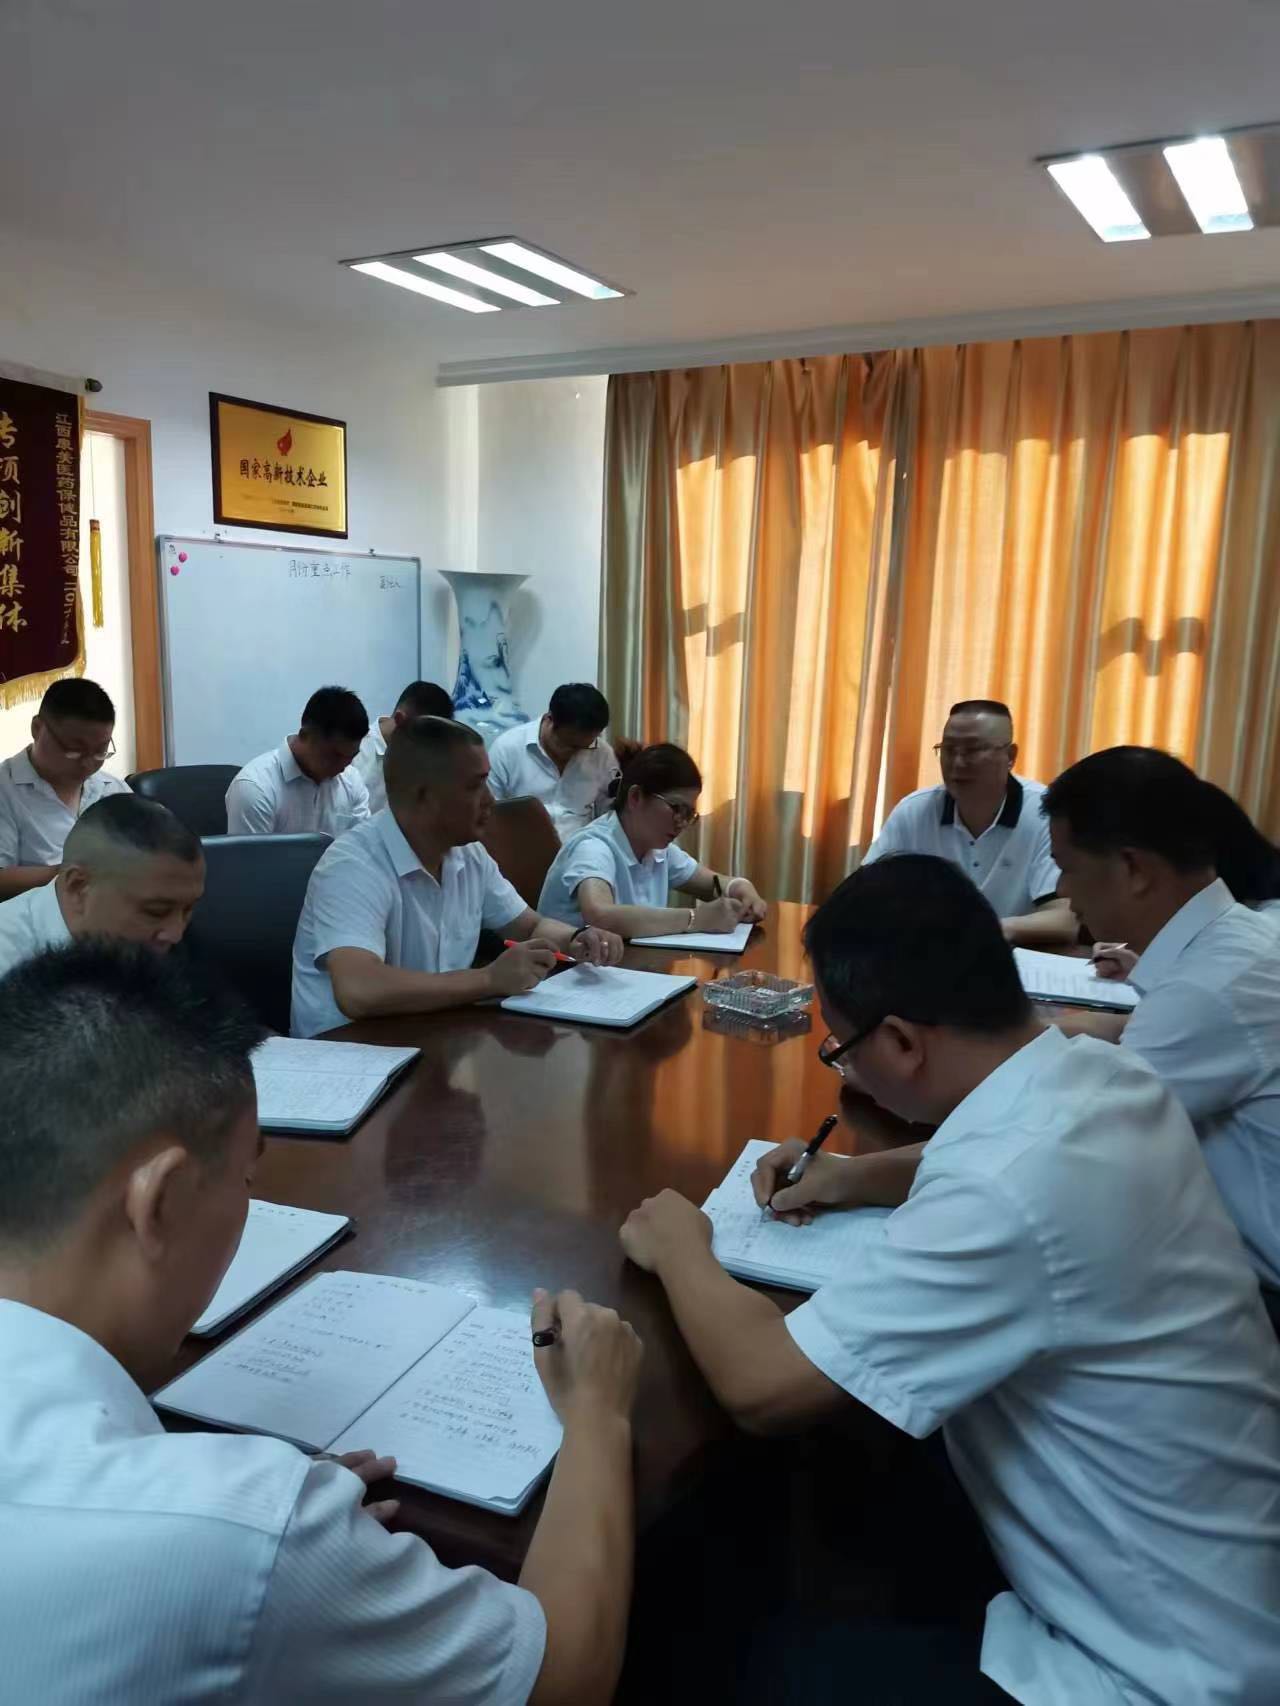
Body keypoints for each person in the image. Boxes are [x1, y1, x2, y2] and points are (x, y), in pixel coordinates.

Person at [620, 855, 1280, 1705]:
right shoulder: (1099, 1073)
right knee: (840, 1484)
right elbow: (1000, 1154)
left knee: (718, 1653)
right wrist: (854, 1176)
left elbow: (762, 1386)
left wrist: (681, 1244)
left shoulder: (1004, 1191)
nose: (844, 1070)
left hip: (1155, 1664)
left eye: (840, 1050)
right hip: (1223, 1561)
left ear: (900, 1042)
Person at [0, 942, 643, 1704]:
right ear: (161, 1203)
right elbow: (564, 1676)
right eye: (247, 1177)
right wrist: (598, 1412)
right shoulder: (231, 1533)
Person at [1044, 747, 1280, 1299]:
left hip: (1258, 1297)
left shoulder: (1210, 988)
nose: (1063, 891)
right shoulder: (1235, 940)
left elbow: (1063, 1144)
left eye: (1068, 867)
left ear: (1133, 869)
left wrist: (858, 1174)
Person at [291, 716, 625, 1038]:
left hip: (430, 1036)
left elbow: (528, 926)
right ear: (424, 796)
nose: (490, 800)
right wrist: (489, 979)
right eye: (475, 786)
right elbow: (359, 990)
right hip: (348, 1056)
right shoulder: (353, 864)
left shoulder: (468, 854)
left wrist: (578, 938)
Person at [861, 700, 1074, 946]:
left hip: (1011, 957)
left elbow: (1065, 918)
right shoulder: (914, 810)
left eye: (972, 750)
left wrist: (982, 931)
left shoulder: (1044, 813)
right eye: (949, 749)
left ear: (1010, 756)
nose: (957, 763)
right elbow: (863, 893)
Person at [537, 743, 766, 939]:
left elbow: (712, 884)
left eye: (689, 814)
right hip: (569, 970)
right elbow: (599, 914)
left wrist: (740, 887)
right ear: (635, 797)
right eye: (676, 808)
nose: (681, 822)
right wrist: (696, 918)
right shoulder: (593, 847)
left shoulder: (658, 849)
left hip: (624, 966)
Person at [0, 794, 205, 976]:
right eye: (155, 911)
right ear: (78, 888)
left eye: (188, 910)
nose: (176, 934)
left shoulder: (178, 946)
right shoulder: (8, 963)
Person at [0, 677, 131, 901]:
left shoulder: (112, 789)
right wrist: (72, 874)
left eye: (100, 751)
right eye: (73, 750)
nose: (88, 764)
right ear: (37, 729)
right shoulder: (6, 789)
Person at [226, 685, 372, 837]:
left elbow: (363, 844)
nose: (343, 766)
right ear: (304, 735)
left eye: (351, 756)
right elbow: (252, 853)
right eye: (335, 756)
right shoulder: (256, 789)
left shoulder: (351, 781)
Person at [488, 684, 619, 841]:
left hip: (581, 849)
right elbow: (488, 814)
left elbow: (609, 816)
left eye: (584, 747)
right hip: (519, 846)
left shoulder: (602, 753)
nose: (576, 753)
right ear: (549, 720)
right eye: (569, 745)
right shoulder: (507, 749)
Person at [354, 679, 454, 815]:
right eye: (423, 740)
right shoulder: (352, 754)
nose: (425, 750)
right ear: (399, 719)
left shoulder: (420, 764)